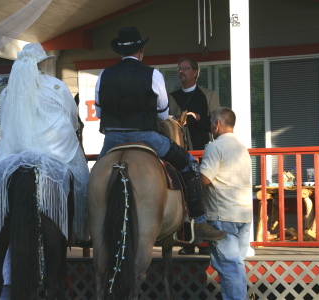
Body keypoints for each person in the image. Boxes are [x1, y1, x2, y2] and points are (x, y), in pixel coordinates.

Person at [94, 26, 226, 242]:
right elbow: (163, 113)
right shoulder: (152, 74)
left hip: (113, 139)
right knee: (190, 163)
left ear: (119, 52)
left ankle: (82, 225)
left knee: (91, 180)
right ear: (141, 51)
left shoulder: (104, 75)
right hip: (146, 136)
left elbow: (99, 111)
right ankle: (200, 222)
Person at [0, 43, 90, 299]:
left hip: (15, 152)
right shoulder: (56, 86)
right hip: (52, 152)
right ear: (42, 64)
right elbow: (73, 120)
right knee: (81, 175)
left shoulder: (7, 92)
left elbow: (3, 125)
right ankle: (83, 220)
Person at [199, 107, 253, 300]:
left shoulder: (215, 147)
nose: (211, 125)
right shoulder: (242, 147)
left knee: (228, 267)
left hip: (223, 215)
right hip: (244, 214)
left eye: (212, 122)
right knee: (236, 264)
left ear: (217, 124)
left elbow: (204, 179)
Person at [169, 58, 220, 255]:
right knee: (182, 197)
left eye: (185, 68)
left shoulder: (208, 95)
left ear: (196, 72)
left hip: (202, 152)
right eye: (178, 68)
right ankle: (187, 242)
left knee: (202, 197)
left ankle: (205, 243)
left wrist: (198, 118)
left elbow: (215, 122)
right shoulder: (172, 97)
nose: (181, 71)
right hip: (179, 154)